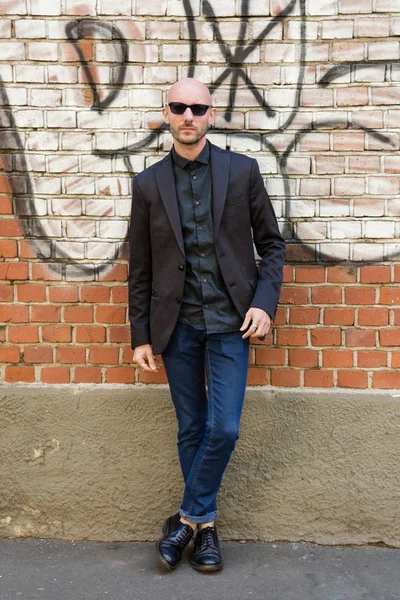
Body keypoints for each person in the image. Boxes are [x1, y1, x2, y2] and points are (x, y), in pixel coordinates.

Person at [128, 77, 286, 572]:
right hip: (175, 327)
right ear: (166, 113)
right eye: (179, 106)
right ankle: (208, 529)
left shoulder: (242, 172)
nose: (188, 115)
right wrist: (141, 335)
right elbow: (141, 266)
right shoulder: (148, 183)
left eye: (198, 107)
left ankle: (185, 520)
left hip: (229, 323)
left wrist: (264, 303)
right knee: (191, 426)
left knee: (225, 427)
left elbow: (273, 246)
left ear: (211, 115)